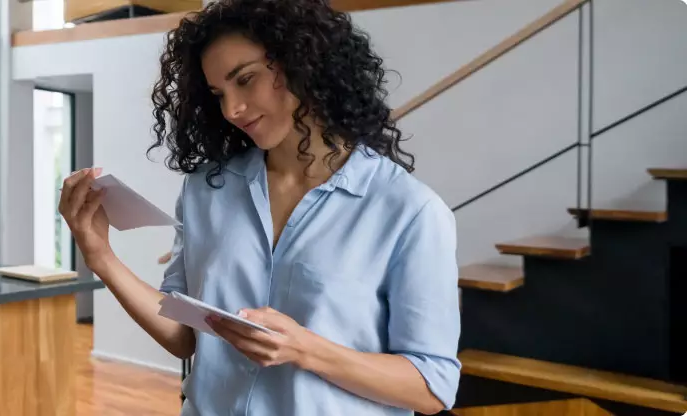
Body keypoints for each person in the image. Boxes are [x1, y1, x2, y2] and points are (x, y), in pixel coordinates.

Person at [58, 0, 461, 414]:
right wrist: (100, 256)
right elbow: (184, 334)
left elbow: (432, 388)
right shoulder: (206, 190)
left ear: (304, 62)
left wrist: (306, 350)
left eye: (245, 80)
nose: (232, 109)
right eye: (219, 94)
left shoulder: (409, 211)